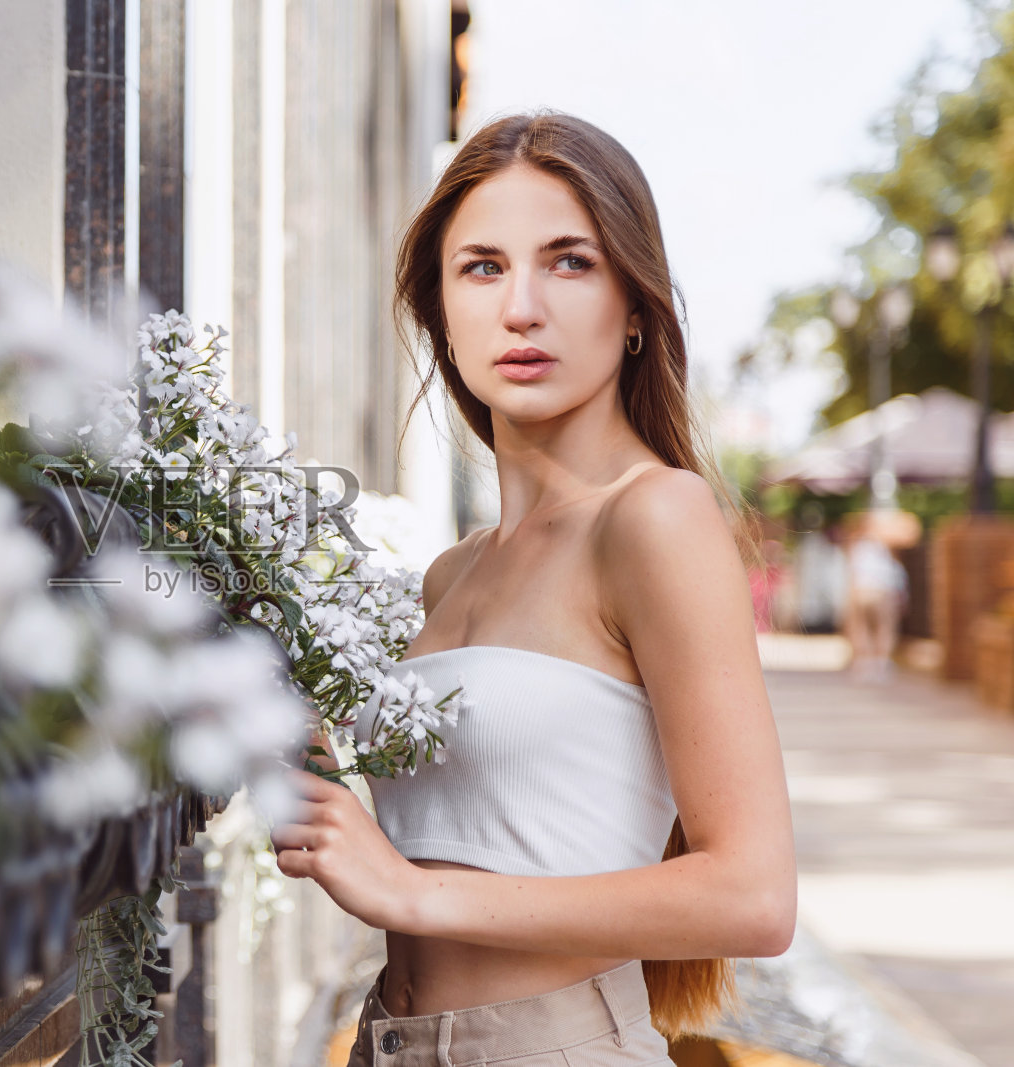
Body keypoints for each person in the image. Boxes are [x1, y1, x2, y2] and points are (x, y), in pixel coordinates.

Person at [270, 112, 797, 1066]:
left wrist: (412, 892)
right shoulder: (452, 571)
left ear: (634, 307)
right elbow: (498, 827)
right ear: (440, 309)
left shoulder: (654, 517)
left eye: (569, 262)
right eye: (482, 267)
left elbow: (753, 896)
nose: (521, 307)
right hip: (391, 1042)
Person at [842, 513, 908, 683]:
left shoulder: (856, 547)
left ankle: (863, 664)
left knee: (861, 628)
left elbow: (851, 573)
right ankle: (881, 664)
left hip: (861, 591)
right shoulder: (883, 548)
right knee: (883, 628)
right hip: (881, 592)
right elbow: (894, 573)